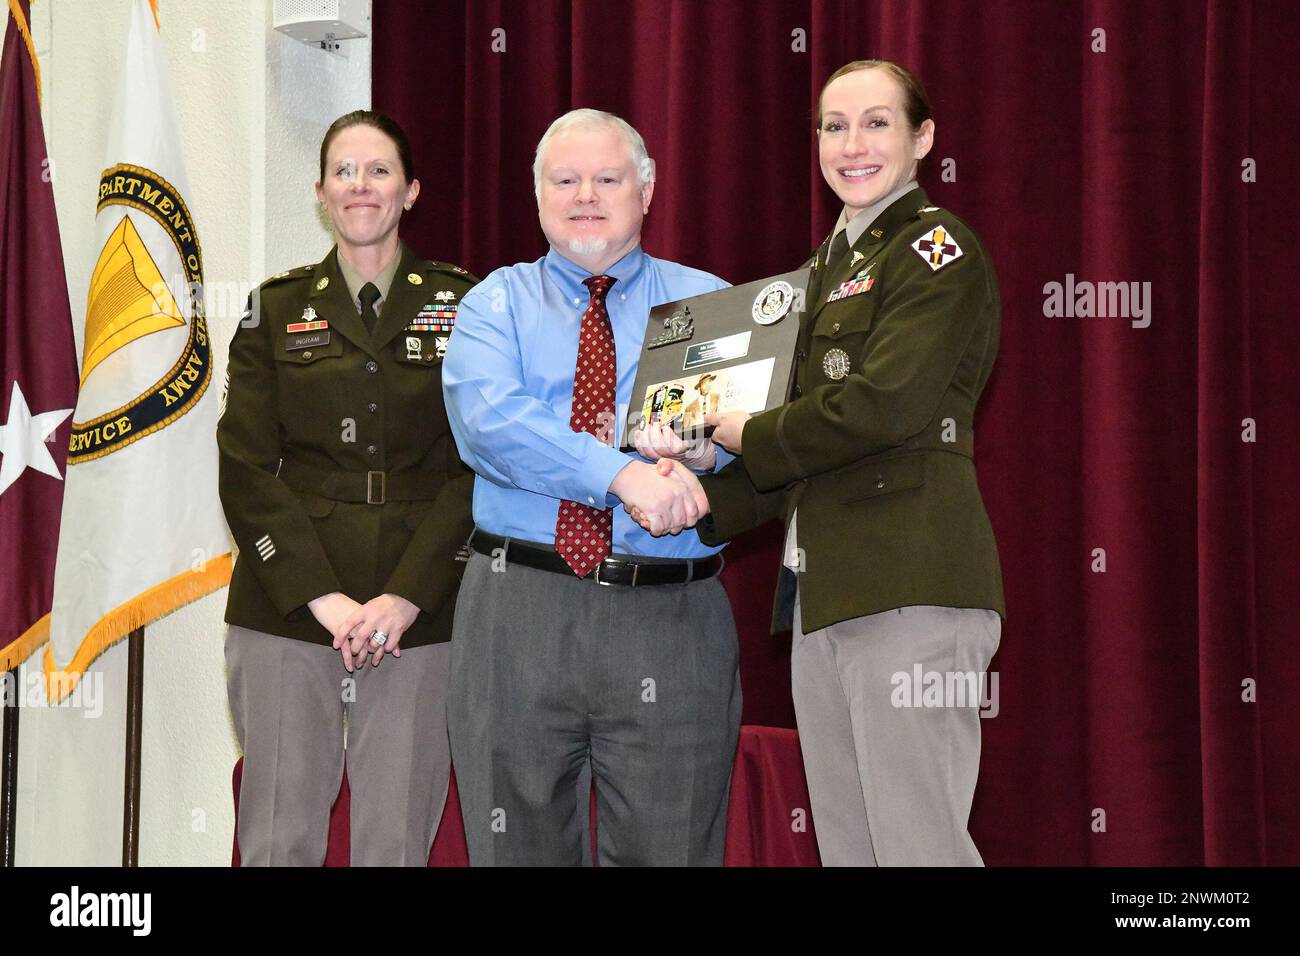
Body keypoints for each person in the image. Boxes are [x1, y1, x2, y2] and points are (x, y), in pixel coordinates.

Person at [637, 60, 1005, 866]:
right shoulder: (819, 272)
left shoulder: (935, 251)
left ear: (923, 139)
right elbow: (795, 451)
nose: (853, 144)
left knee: (917, 846)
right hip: (823, 592)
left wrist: (738, 431)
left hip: (910, 582)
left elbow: (882, 408)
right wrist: (691, 496)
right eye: (834, 126)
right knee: (849, 847)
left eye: (877, 123)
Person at [441, 108, 740, 867]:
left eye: (607, 179)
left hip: (671, 614)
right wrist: (623, 473)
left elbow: (757, 441)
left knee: (673, 849)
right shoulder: (491, 304)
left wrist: (704, 461)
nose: (585, 195)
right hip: (519, 610)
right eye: (564, 180)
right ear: (537, 195)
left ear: (645, 191)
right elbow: (491, 425)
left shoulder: (708, 302)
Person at [217, 110, 477, 865]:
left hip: (419, 604)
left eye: (379, 170)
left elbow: (479, 465)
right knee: (275, 834)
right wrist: (320, 597)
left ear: (411, 190)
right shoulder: (275, 307)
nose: (361, 185)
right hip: (289, 600)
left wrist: (407, 596)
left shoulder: (469, 304)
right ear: (322, 193)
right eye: (344, 172)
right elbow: (244, 469)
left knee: (395, 839)